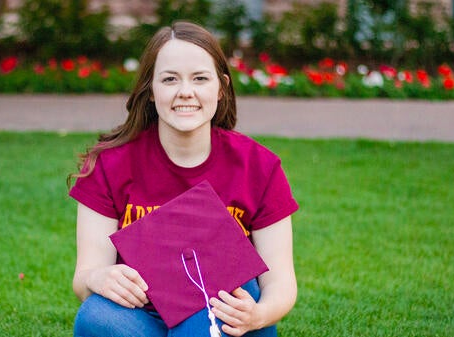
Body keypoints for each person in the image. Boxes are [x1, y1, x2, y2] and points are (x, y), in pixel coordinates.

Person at [68, 21, 299, 337]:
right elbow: (85, 277)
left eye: (200, 78)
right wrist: (97, 277)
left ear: (220, 87)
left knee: (228, 283)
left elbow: (281, 282)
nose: (185, 92)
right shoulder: (109, 165)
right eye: (170, 79)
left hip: (226, 318)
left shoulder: (258, 166)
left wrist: (258, 316)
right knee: (95, 317)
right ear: (151, 90)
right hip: (143, 317)